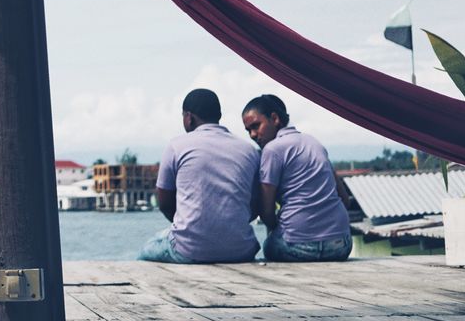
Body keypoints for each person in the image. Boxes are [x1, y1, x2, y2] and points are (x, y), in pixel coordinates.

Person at [139, 88, 260, 264]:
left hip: (188, 250)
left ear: (189, 117)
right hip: (241, 251)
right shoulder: (249, 150)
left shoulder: (177, 146)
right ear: (218, 115)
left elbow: (164, 203)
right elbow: (255, 205)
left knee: (146, 251)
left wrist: (192, 225)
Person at [242, 94, 352, 262]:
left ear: (275, 118)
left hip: (297, 247)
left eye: (256, 126)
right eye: (249, 130)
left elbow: (266, 211)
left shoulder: (272, 150)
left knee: (268, 246)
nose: (252, 134)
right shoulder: (314, 143)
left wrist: (280, 229)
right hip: (341, 246)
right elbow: (344, 199)